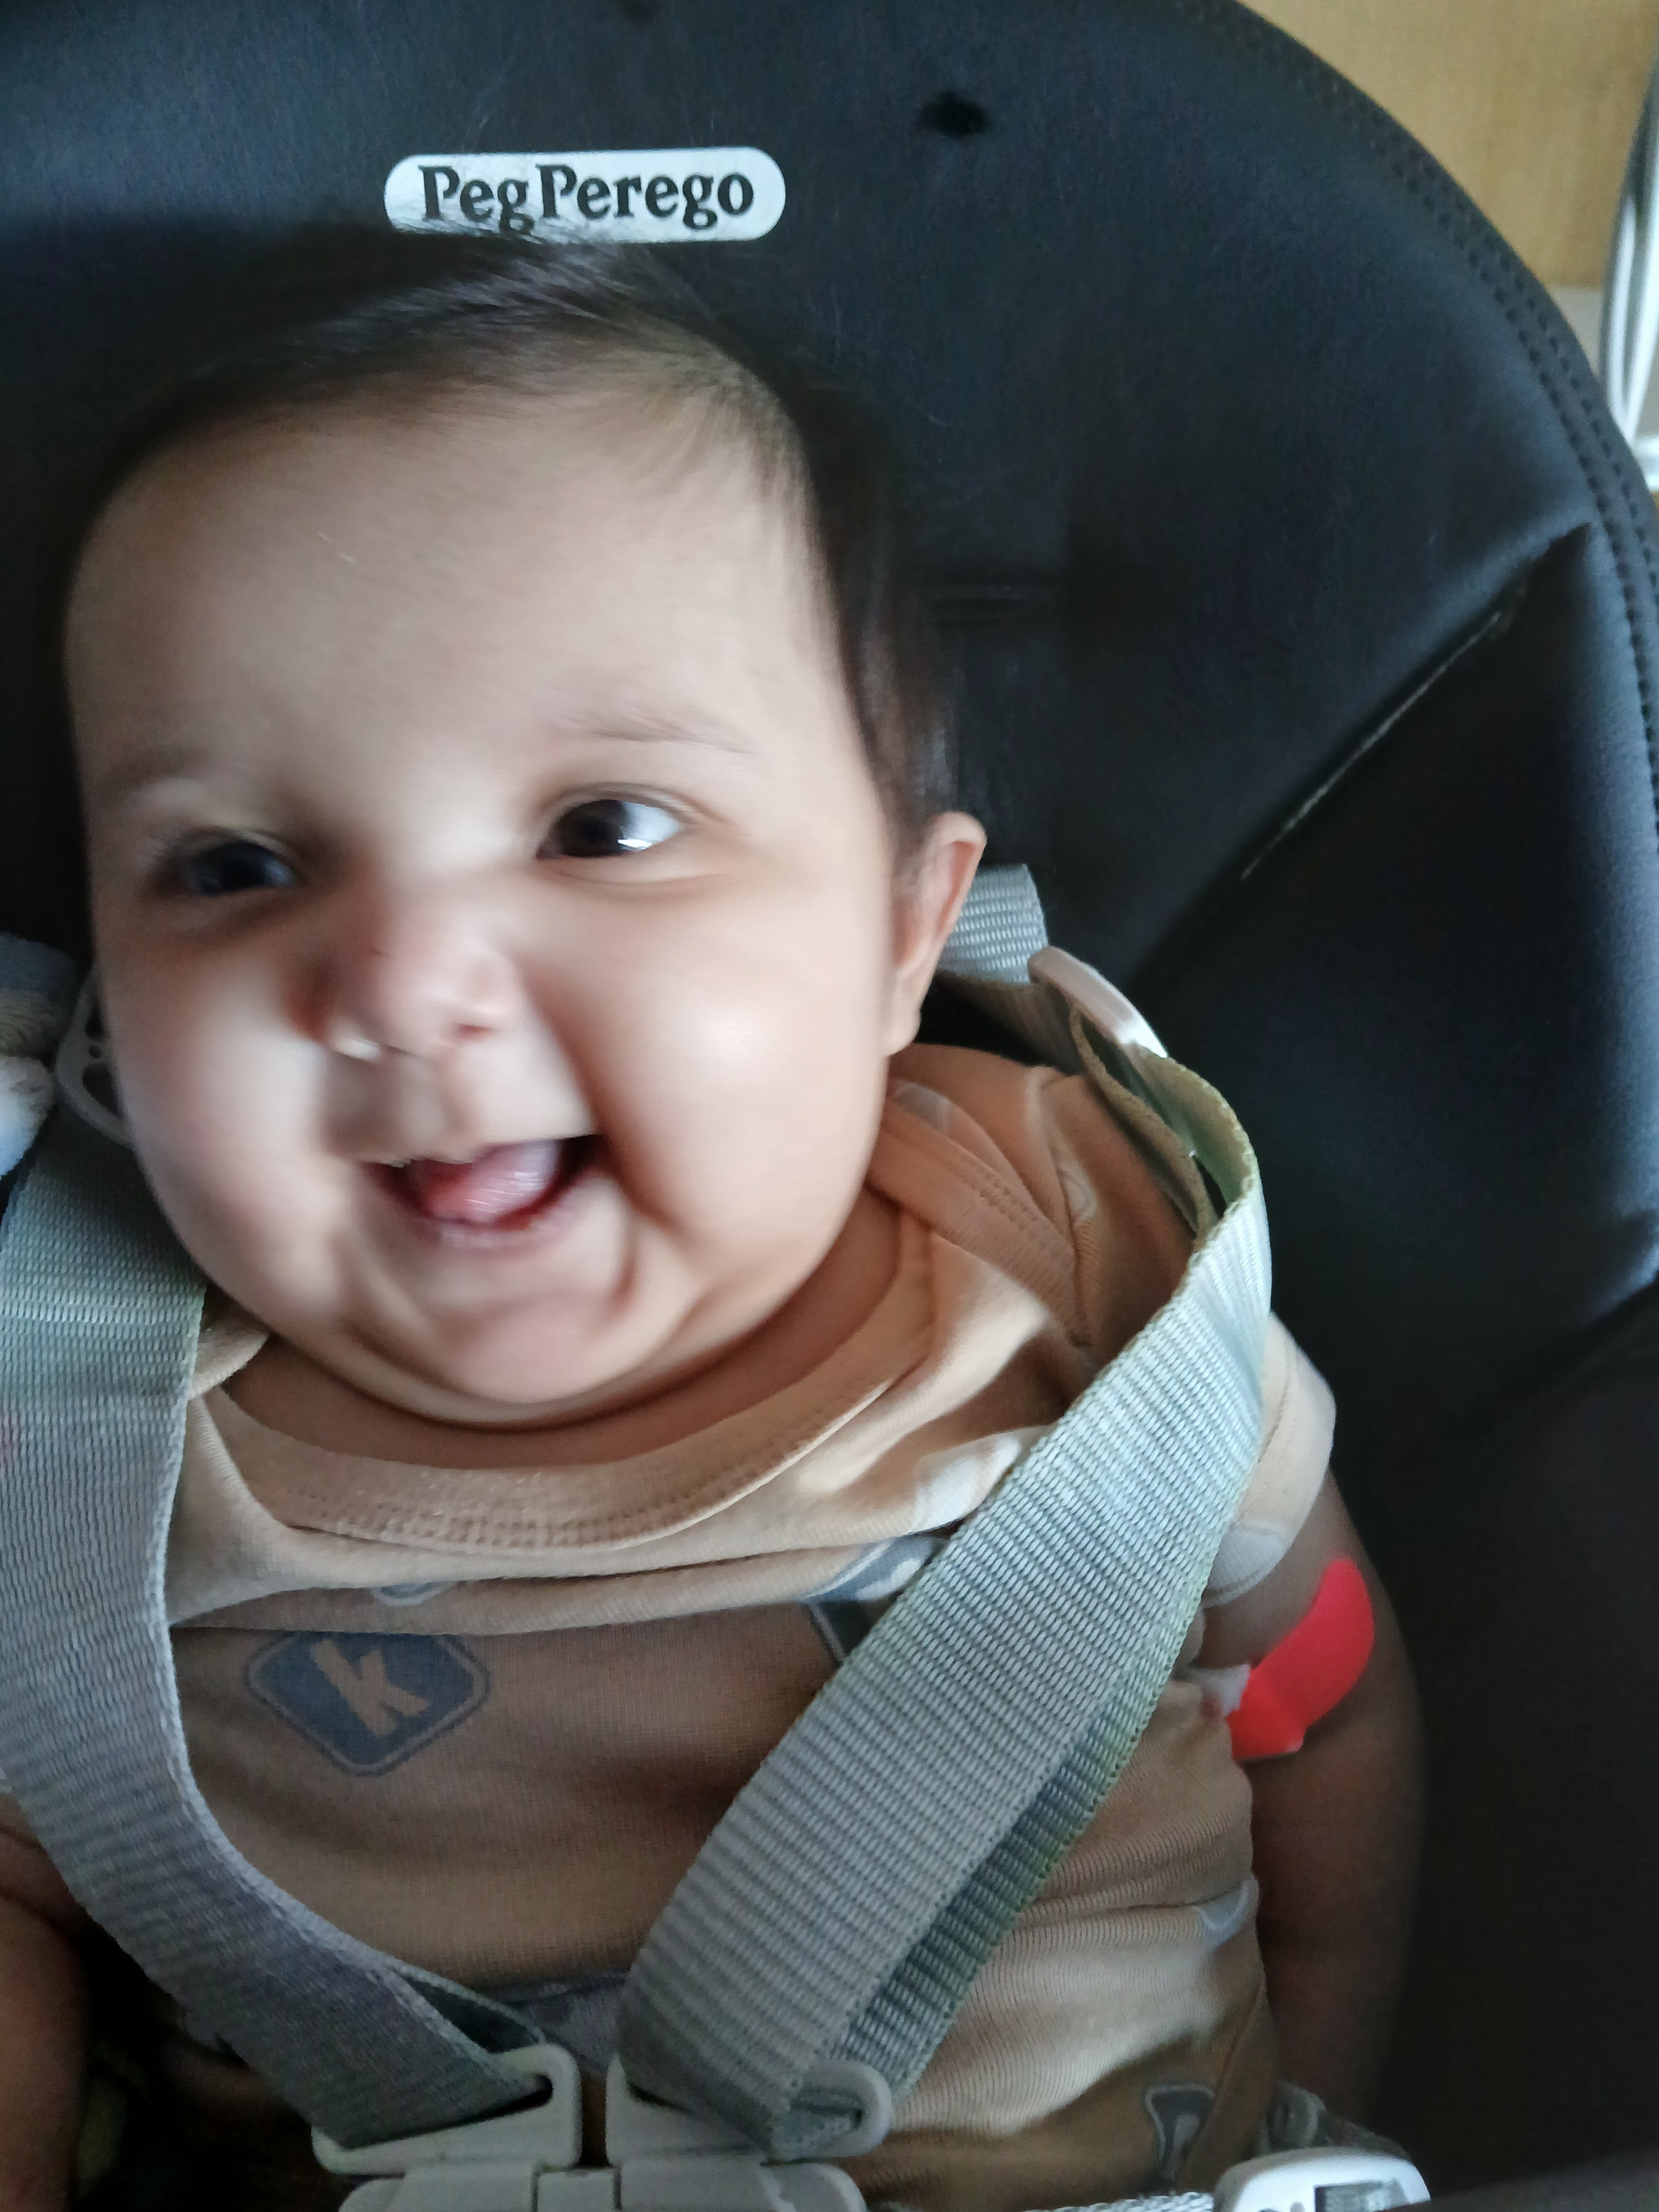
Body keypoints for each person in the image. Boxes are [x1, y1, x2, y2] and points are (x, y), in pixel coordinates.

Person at [0, 231, 1421, 2212]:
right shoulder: (66, 1419)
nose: (402, 981)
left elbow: (1315, 1709)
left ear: (902, 939)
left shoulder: (1094, 1274)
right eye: (232, 866)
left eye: (604, 827)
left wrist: (1325, 2091)